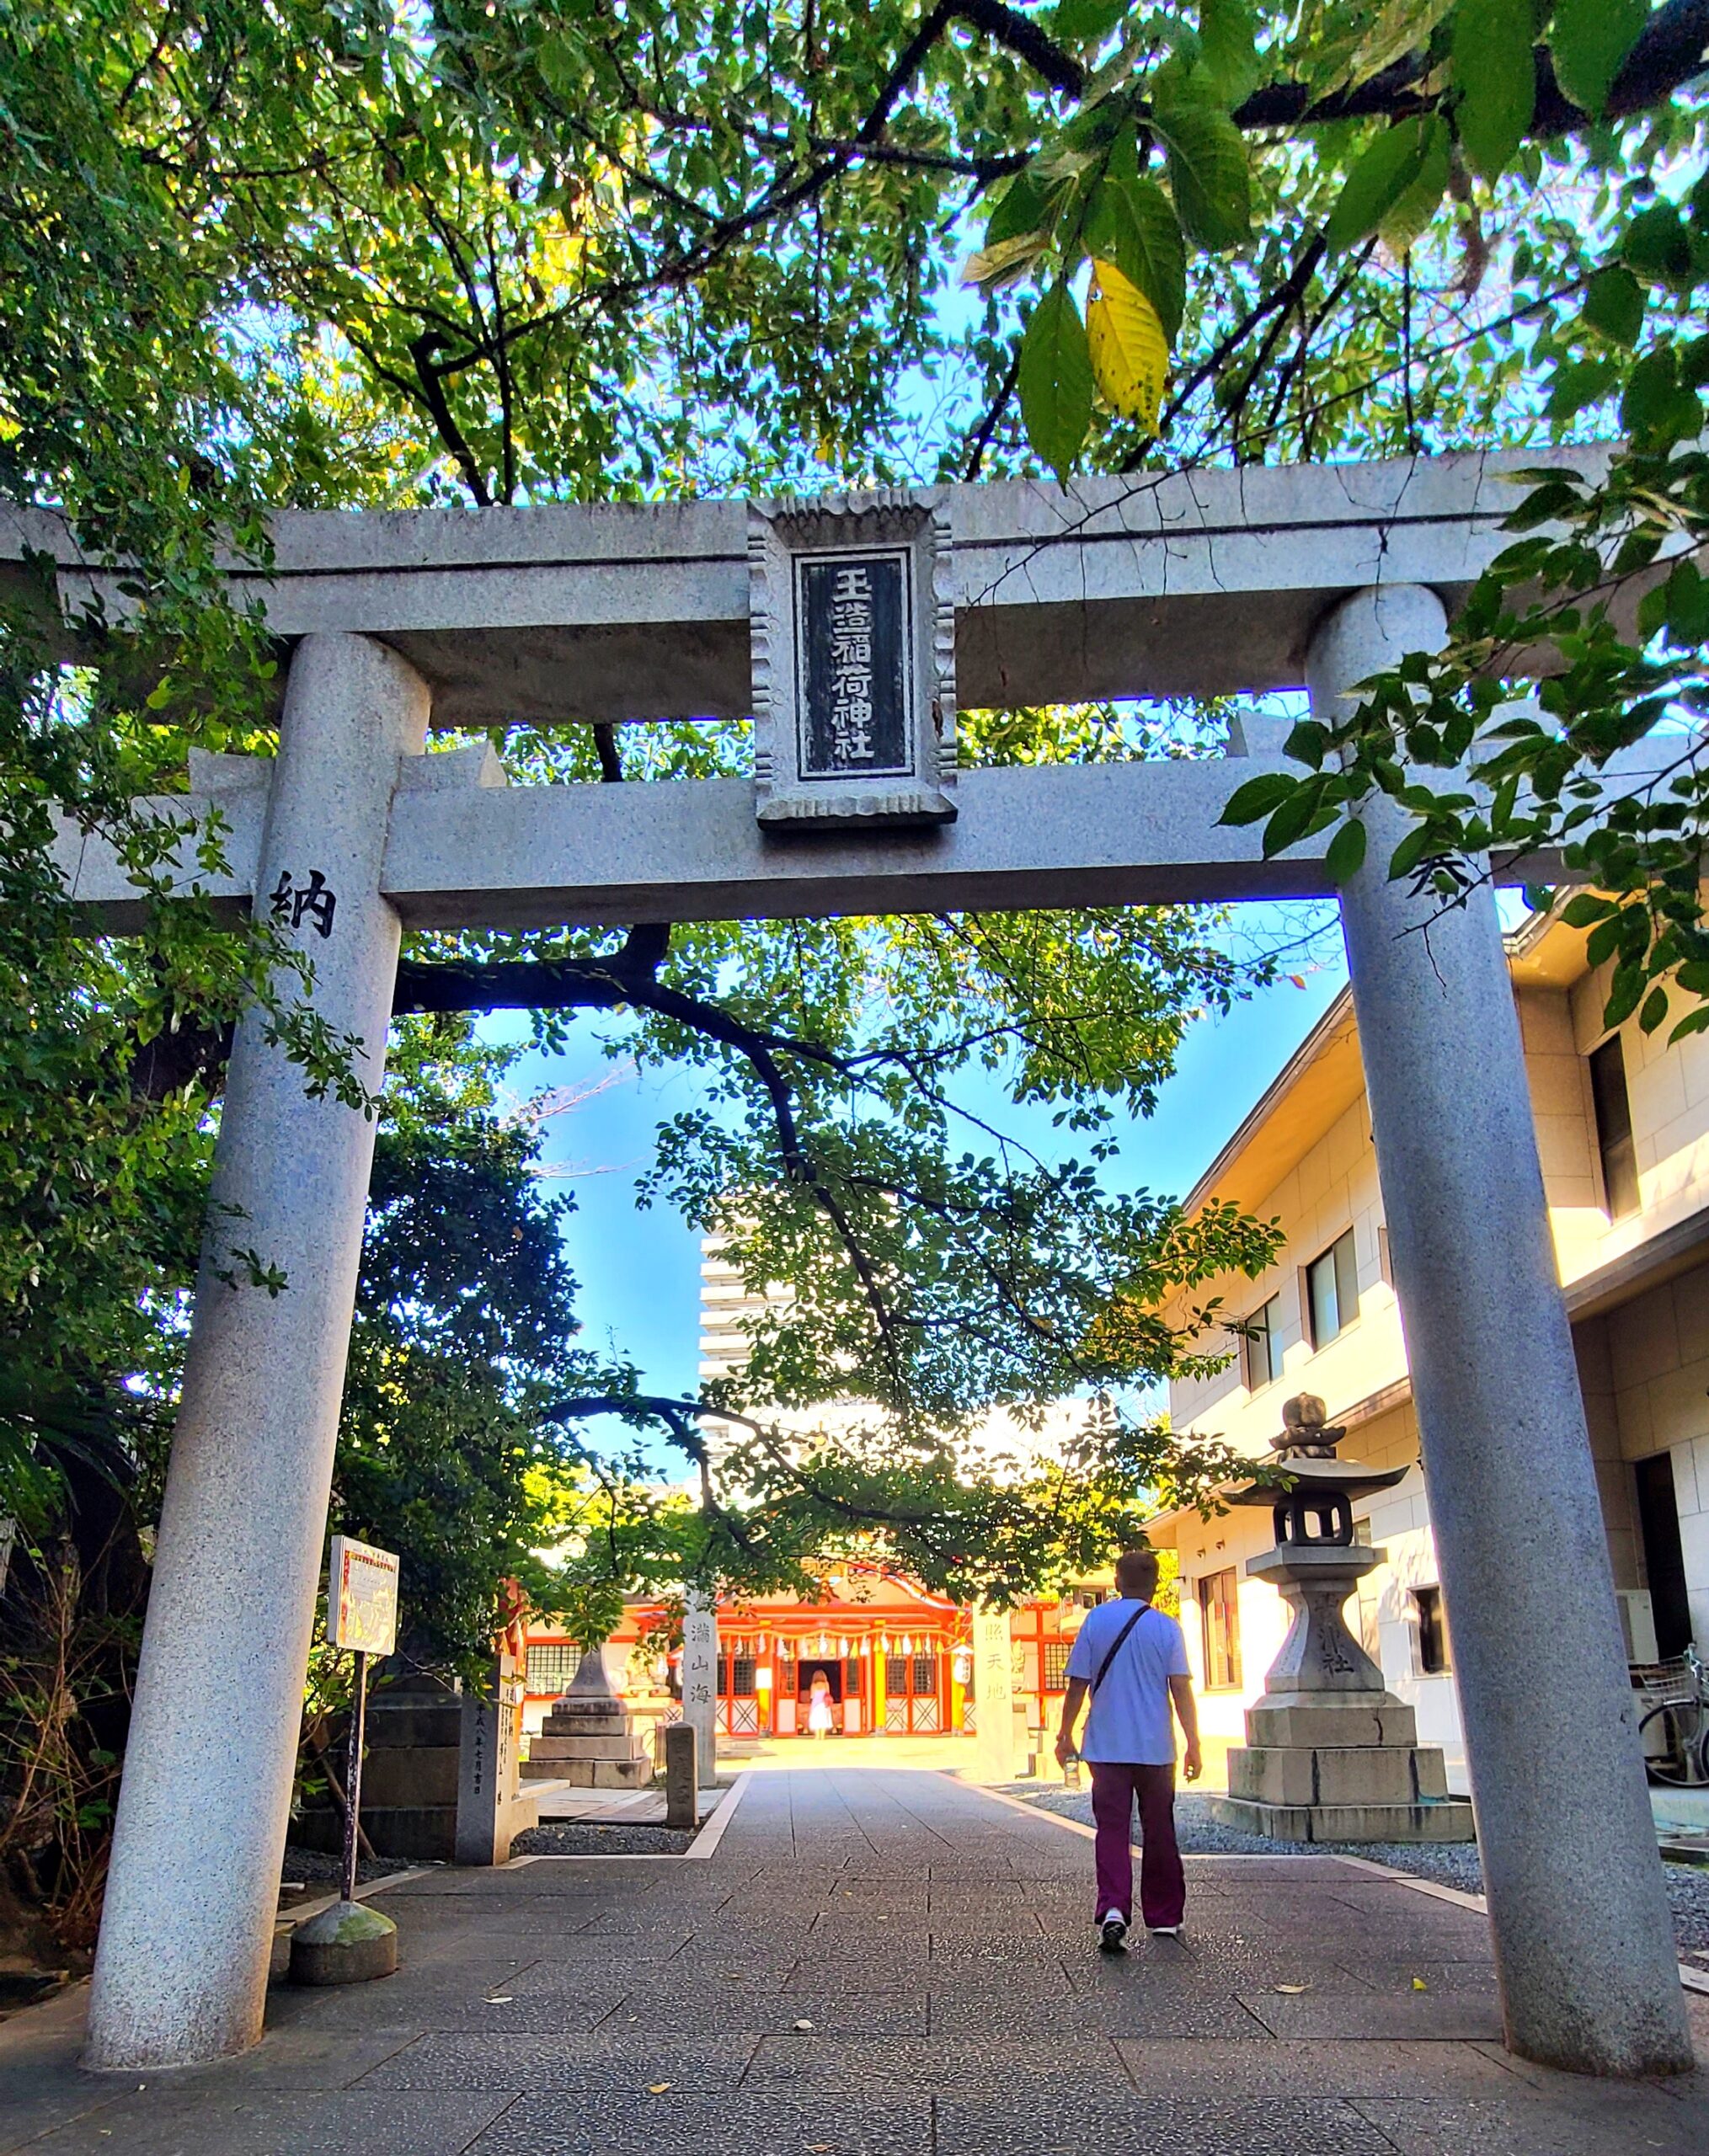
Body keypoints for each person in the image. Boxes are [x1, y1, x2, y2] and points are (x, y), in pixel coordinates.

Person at [1055, 1547, 1202, 1953]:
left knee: (1113, 1831)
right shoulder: (1167, 1628)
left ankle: (1115, 1909)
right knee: (1160, 1831)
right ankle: (1165, 1916)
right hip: (1156, 1747)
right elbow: (1180, 1689)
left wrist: (1064, 1734)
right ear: (1156, 1584)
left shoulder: (1097, 1620)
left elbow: (1077, 1683)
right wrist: (1193, 1742)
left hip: (1106, 1745)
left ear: (1117, 1581)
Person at [806, 1668, 835, 1738]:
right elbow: (828, 1693)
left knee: (816, 1720)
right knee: (823, 1720)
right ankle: (822, 1736)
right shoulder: (826, 1684)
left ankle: (817, 1736)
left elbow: (812, 1696)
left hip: (815, 1705)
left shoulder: (814, 1685)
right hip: (824, 1704)